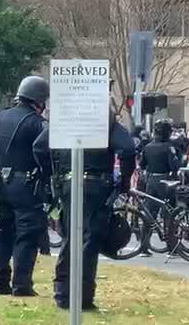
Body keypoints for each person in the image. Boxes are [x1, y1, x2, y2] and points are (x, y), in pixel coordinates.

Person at [35, 111, 136, 310]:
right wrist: (123, 182)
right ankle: (83, 296)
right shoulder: (104, 119)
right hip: (96, 185)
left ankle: (63, 293)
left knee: (70, 236)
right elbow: (127, 149)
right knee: (89, 240)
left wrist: (52, 173)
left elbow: (39, 146)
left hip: (66, 182)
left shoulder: (65, 116)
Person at [0, 76, 50, 294]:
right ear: (39, 100)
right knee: (27, 233)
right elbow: (45, 150)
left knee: (2, 232)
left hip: (0, 183)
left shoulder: (0, 116)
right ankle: (21, 284)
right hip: (26, 184)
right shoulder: (38, 123)